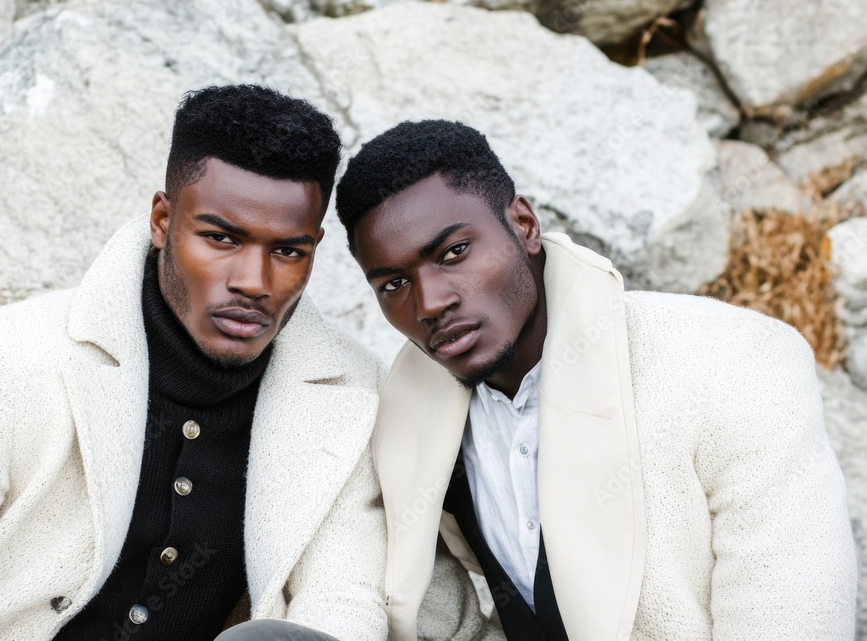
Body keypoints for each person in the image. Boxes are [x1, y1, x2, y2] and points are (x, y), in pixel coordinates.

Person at [0, 84, 387, 641]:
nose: (254, 283)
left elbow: (344, 604)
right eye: (220, 238)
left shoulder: (351, 396)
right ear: (163, 220)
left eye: (287, 251)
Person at [334, 119, 858, 640]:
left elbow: (793, 620)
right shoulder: (409, 422)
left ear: (524, 225)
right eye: (394, 284)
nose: (429, 303)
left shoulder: (731, 362)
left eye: (453, 253)